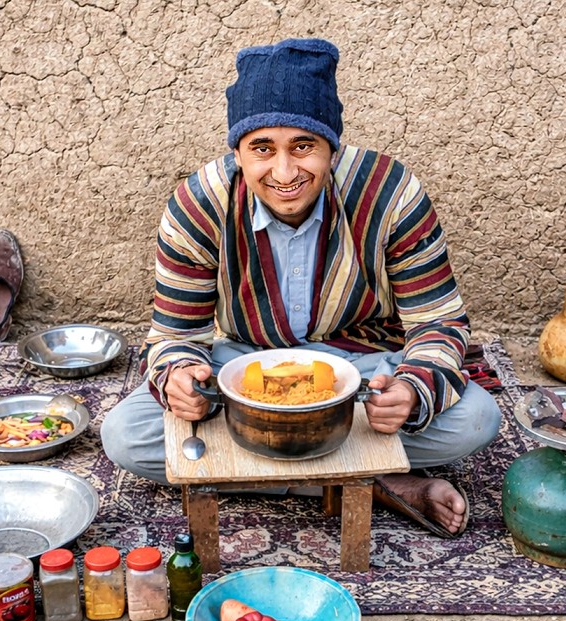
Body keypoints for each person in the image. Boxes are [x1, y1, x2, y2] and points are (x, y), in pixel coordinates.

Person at [101, 38, 501, 537]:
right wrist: (180, 377)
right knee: (126, 436)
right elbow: (174, 335)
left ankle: (263, 467)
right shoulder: (198, 205)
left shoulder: (391, 194)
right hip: (243, 366)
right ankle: (377, 480)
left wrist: (410, 391)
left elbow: (438, 322)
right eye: (262, 149)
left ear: (332, 146)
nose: (285, 172)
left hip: (360, 367)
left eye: (304, 146)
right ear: (239, 152)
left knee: (477, 420)